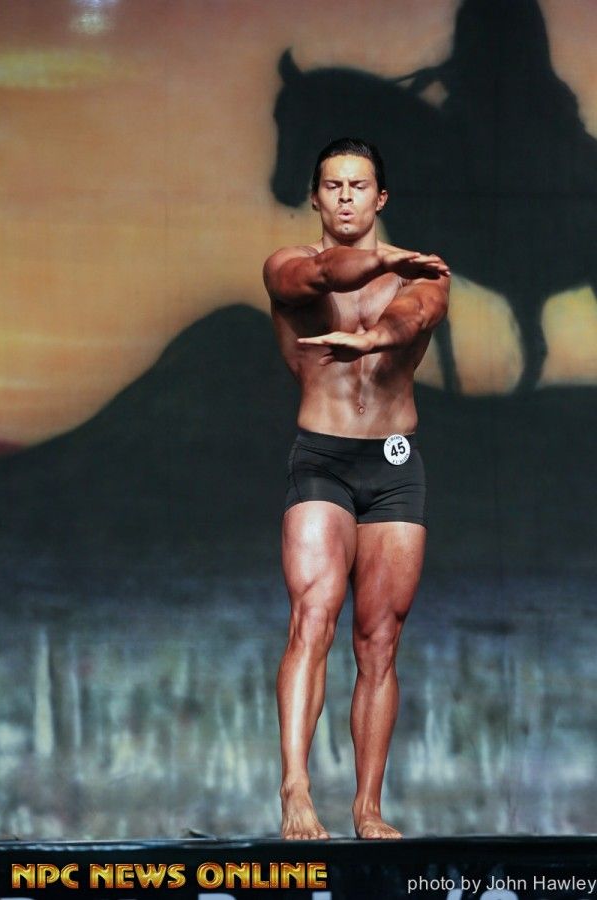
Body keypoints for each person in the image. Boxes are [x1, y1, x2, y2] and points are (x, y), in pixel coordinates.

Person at [263, 137, 450, 840]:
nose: (345, 197)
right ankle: (296, 788)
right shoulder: (287, 264)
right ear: (315, 198)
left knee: (379, 640)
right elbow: (318, 277)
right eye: (333, 186)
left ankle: (368, 807)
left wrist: (371, 341)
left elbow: (415, 316)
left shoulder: (421, 274)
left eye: (359, 185)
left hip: (395, 465)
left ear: (381, 197)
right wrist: (381, 259)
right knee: (313, 615)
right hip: (323, 459)